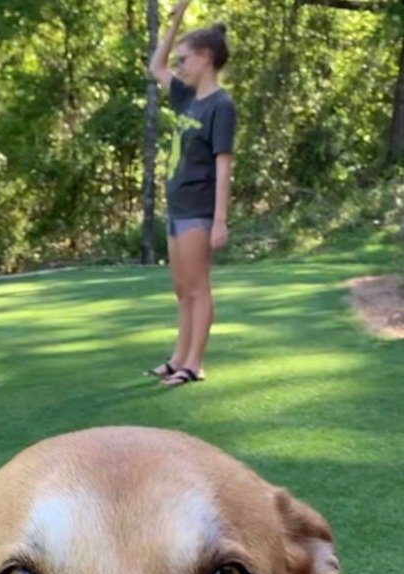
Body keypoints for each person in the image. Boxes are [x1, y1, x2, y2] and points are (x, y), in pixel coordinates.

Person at [147, 2, 236, 388]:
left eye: (185, 58)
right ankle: (177, 358)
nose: (179, 64)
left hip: (199, 210)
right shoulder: (186, 98)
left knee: (198, 287)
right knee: (181, 288)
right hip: (177, 206)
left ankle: (194, 364)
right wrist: (177, 17)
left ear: (206, 58)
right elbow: (156, 67)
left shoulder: (221, 105)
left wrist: (219, 220)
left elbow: (223, 164)